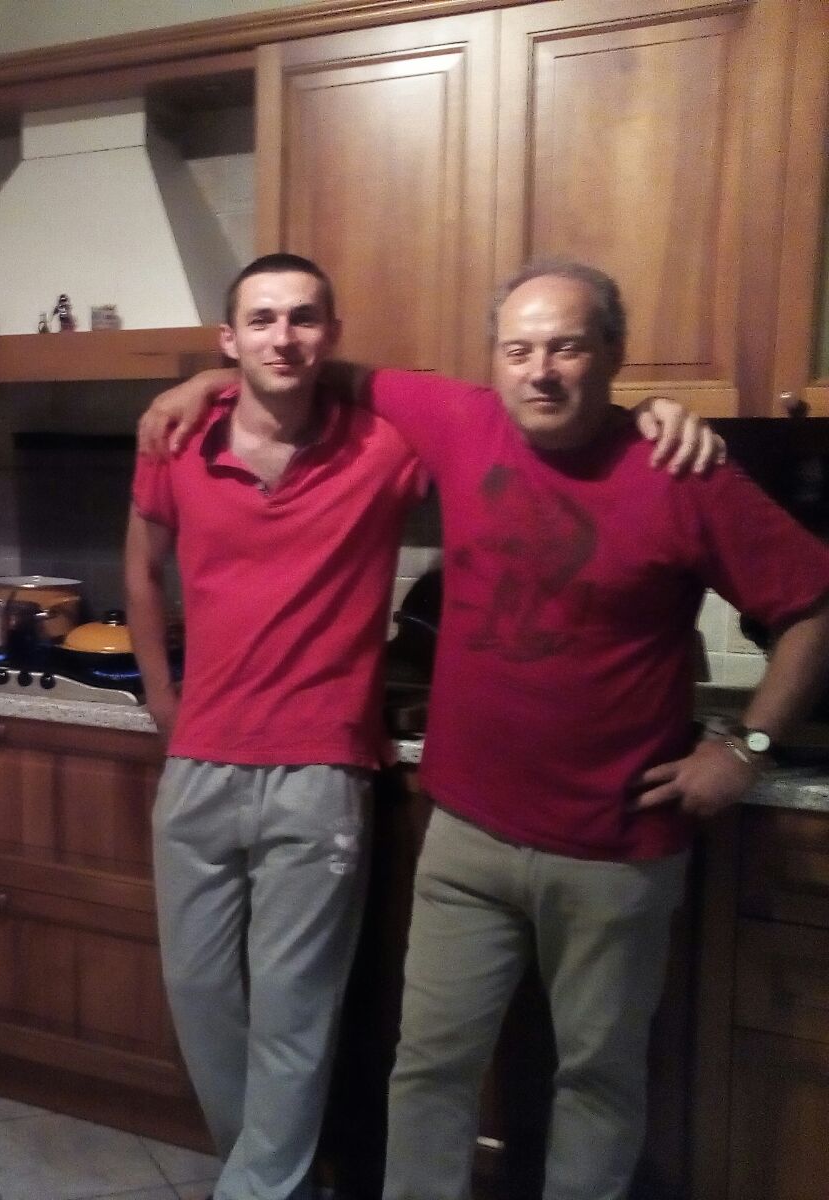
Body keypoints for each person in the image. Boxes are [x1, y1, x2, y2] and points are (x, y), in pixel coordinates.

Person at [140, 259, 829, 1199]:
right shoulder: (460, 422)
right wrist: (204, 382)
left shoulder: (680, 469)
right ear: (493, 359)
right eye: (519, 349)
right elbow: (312, 367)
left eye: (566, 347)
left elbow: (812, 606)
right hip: (466, 837)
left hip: (617, 848)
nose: (540, 371)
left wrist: (745, 748)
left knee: (598, 1077)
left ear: (613, 354)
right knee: (427, 1070)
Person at [127, 253, 424, 1199]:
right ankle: (273, 1180)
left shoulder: (385, 446)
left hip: (320, 773)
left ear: (330, 335)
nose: (282, 337)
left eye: (303, 318)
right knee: (202, 1000)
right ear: (230, 338)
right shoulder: (176, 440)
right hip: (199, 765)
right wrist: (162, 697)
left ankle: (259, 1190)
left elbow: (484, 413)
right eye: (261, 320)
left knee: (297, 1017)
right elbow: (140, 571)